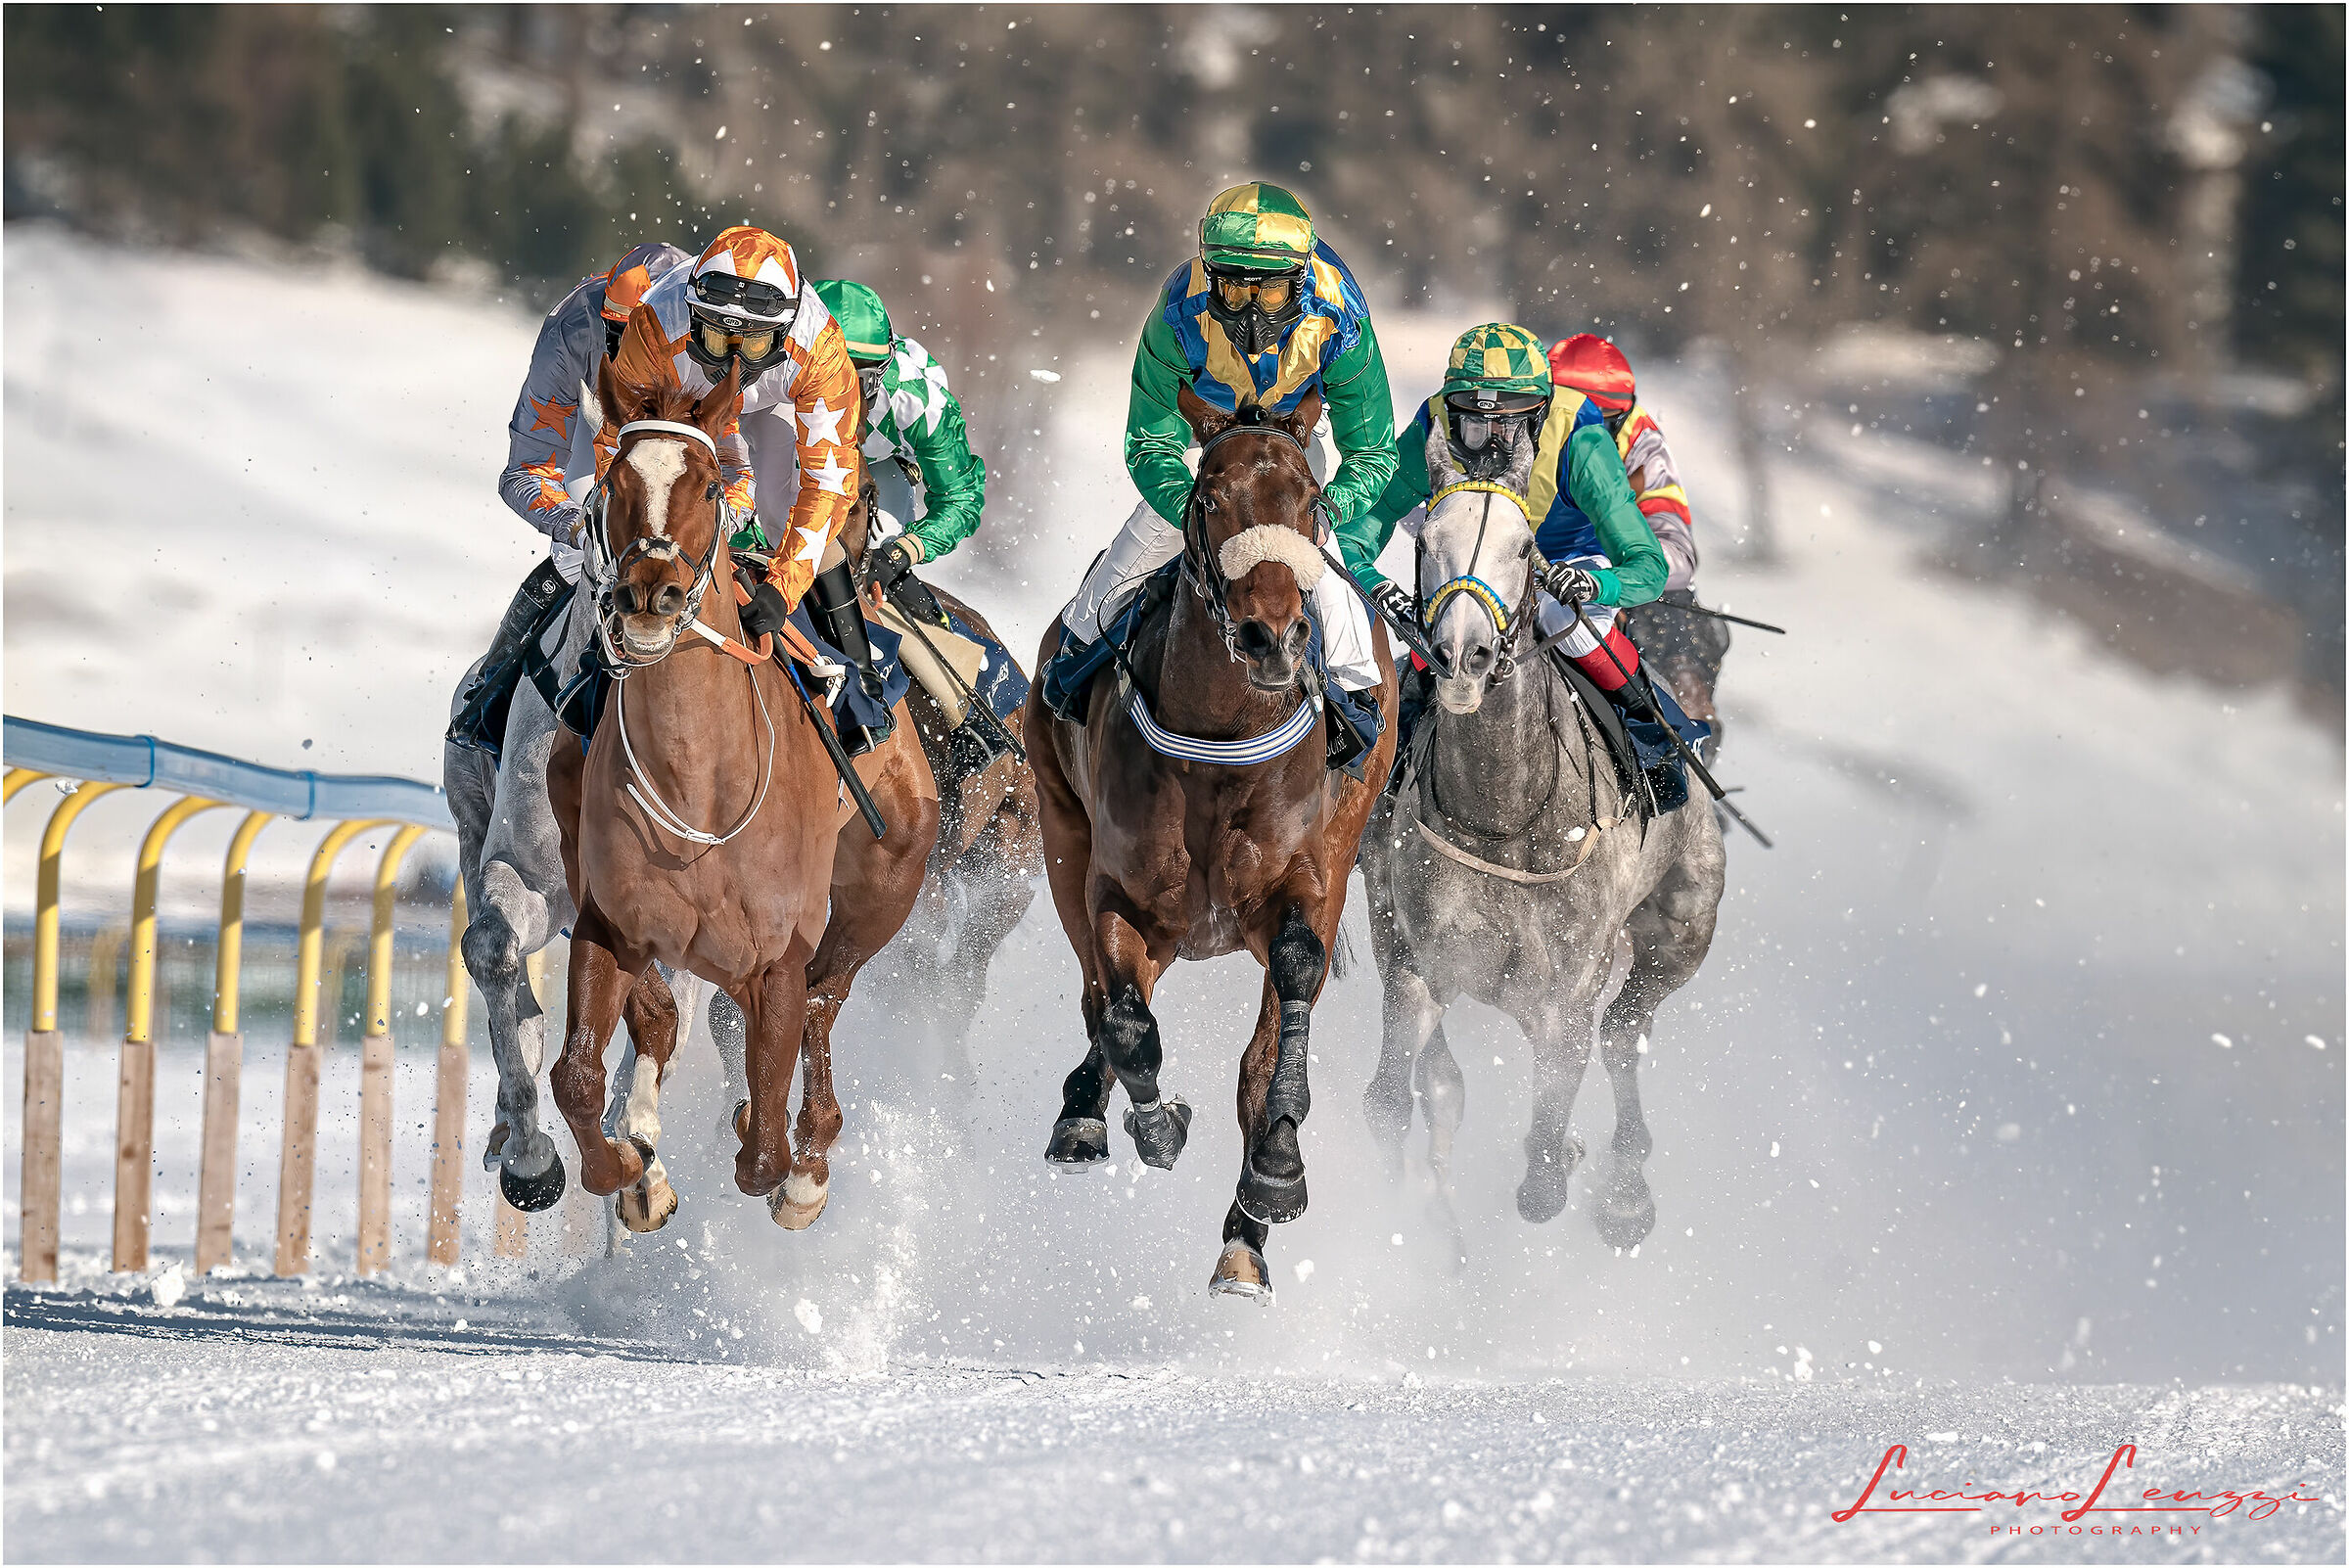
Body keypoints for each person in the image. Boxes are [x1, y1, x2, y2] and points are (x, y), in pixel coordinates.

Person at [1037, 182, 1397, 761]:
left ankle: (1353, 696)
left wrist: (1326, 511)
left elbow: (1373, 452)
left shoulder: (1342, 318)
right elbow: (1151, 440)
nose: (1253, 310)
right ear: (1211, 274)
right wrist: (1191, 505)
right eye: (1234, 285)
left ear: (1301, 278)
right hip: (1210, 452)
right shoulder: (1177, 313)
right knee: (1134, 553)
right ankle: (1078, 655)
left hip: (1293, 450)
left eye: (1273, 290)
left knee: (1327, 571)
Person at [1336, 323, 1710, 810]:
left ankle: (1654, 738)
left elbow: (1650, 567)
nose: (1492, 443)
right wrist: (1376, 588)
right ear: (1451, 409)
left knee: (1566, 622)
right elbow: (1353, 533)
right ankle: (1389, 754)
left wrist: (1597, 583)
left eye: (1509, 426)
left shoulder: (1581, 437)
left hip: (1568, 560)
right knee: (1442, 621)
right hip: (1479, 563)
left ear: (1539, 416)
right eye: (1473, 424)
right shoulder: (1432, 424)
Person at [597, 224, 894, 753]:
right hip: (684, 397)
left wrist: (782, 590)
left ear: (782, 332)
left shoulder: (821, 351)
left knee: (784, 503)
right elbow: (615, 446)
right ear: (693, 314)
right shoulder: (655, 324)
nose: (734, 355)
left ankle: (858, 671)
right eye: (717, 336)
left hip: (775, 401)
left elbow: (829, 482)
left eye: (753, 340)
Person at [755, 278, 1010, 769]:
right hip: (797, 456)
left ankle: (962, 707)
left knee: (868, 568)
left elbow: (960, 495)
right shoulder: (770, 378)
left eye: (864, 382)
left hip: (879, 468)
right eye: (838, 377)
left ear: (886, 372)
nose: (847, 396)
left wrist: (904, 552)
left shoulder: (917, 401)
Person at [448, 242, 688, 755]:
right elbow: (526, 471)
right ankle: (493, 693)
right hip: (594, 426)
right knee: (579, 554)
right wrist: (580, 524)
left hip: (681, 443)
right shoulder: (573, 334)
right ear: (607, 319)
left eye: (650, 337)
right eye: (622, 335)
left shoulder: (709, 333)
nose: (636, 352)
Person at [1546, 333, 1728, 759]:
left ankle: (1683, 746)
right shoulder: (1517, 420)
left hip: (1615, 575)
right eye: (1566, 412)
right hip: (1529, 564)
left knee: (1679, 620)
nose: (1584, 425)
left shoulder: (1642, 444)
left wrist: (1614, 574)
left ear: (1624, 414)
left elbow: (1679, 556)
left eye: (1603, 418)